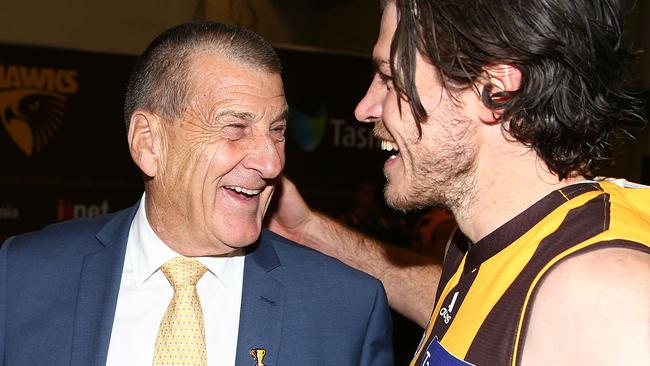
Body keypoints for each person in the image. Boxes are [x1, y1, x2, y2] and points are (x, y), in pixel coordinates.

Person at [268, 0, 650, 364]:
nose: (364, 108)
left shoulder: (607, 296)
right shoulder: (494, 245)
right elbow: (479, 310)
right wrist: (310, 232)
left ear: (495, 90)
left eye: (389, 77)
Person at [0, 22, 394, 366]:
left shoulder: (346, 311)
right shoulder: (23, 276)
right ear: (149, 144)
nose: (272, 162)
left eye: (277, 130)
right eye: (236, 127)